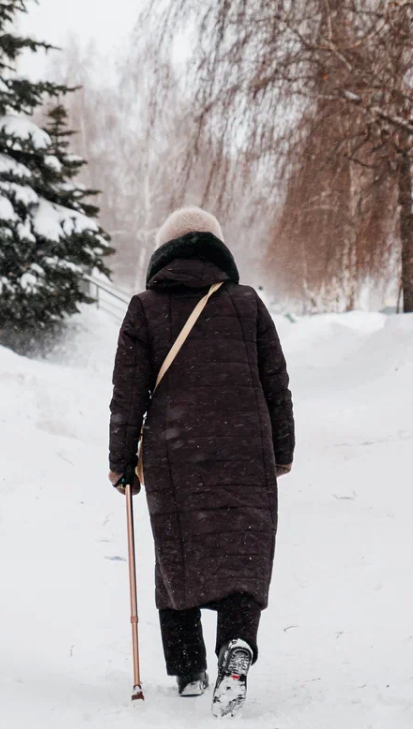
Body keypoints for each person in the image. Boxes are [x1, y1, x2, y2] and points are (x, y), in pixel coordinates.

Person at [108, 207, 295, 717]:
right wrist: (281, 452)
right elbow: (276, 383)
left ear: (164, 251)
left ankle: (190, 669)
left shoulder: (144, 308)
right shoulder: (246, 303)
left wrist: (121, 461)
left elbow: (129, 395)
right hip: (245, 448)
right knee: (242, 552)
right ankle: (235, 647)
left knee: (179, 551)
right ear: (217, 250)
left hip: (174, 450)